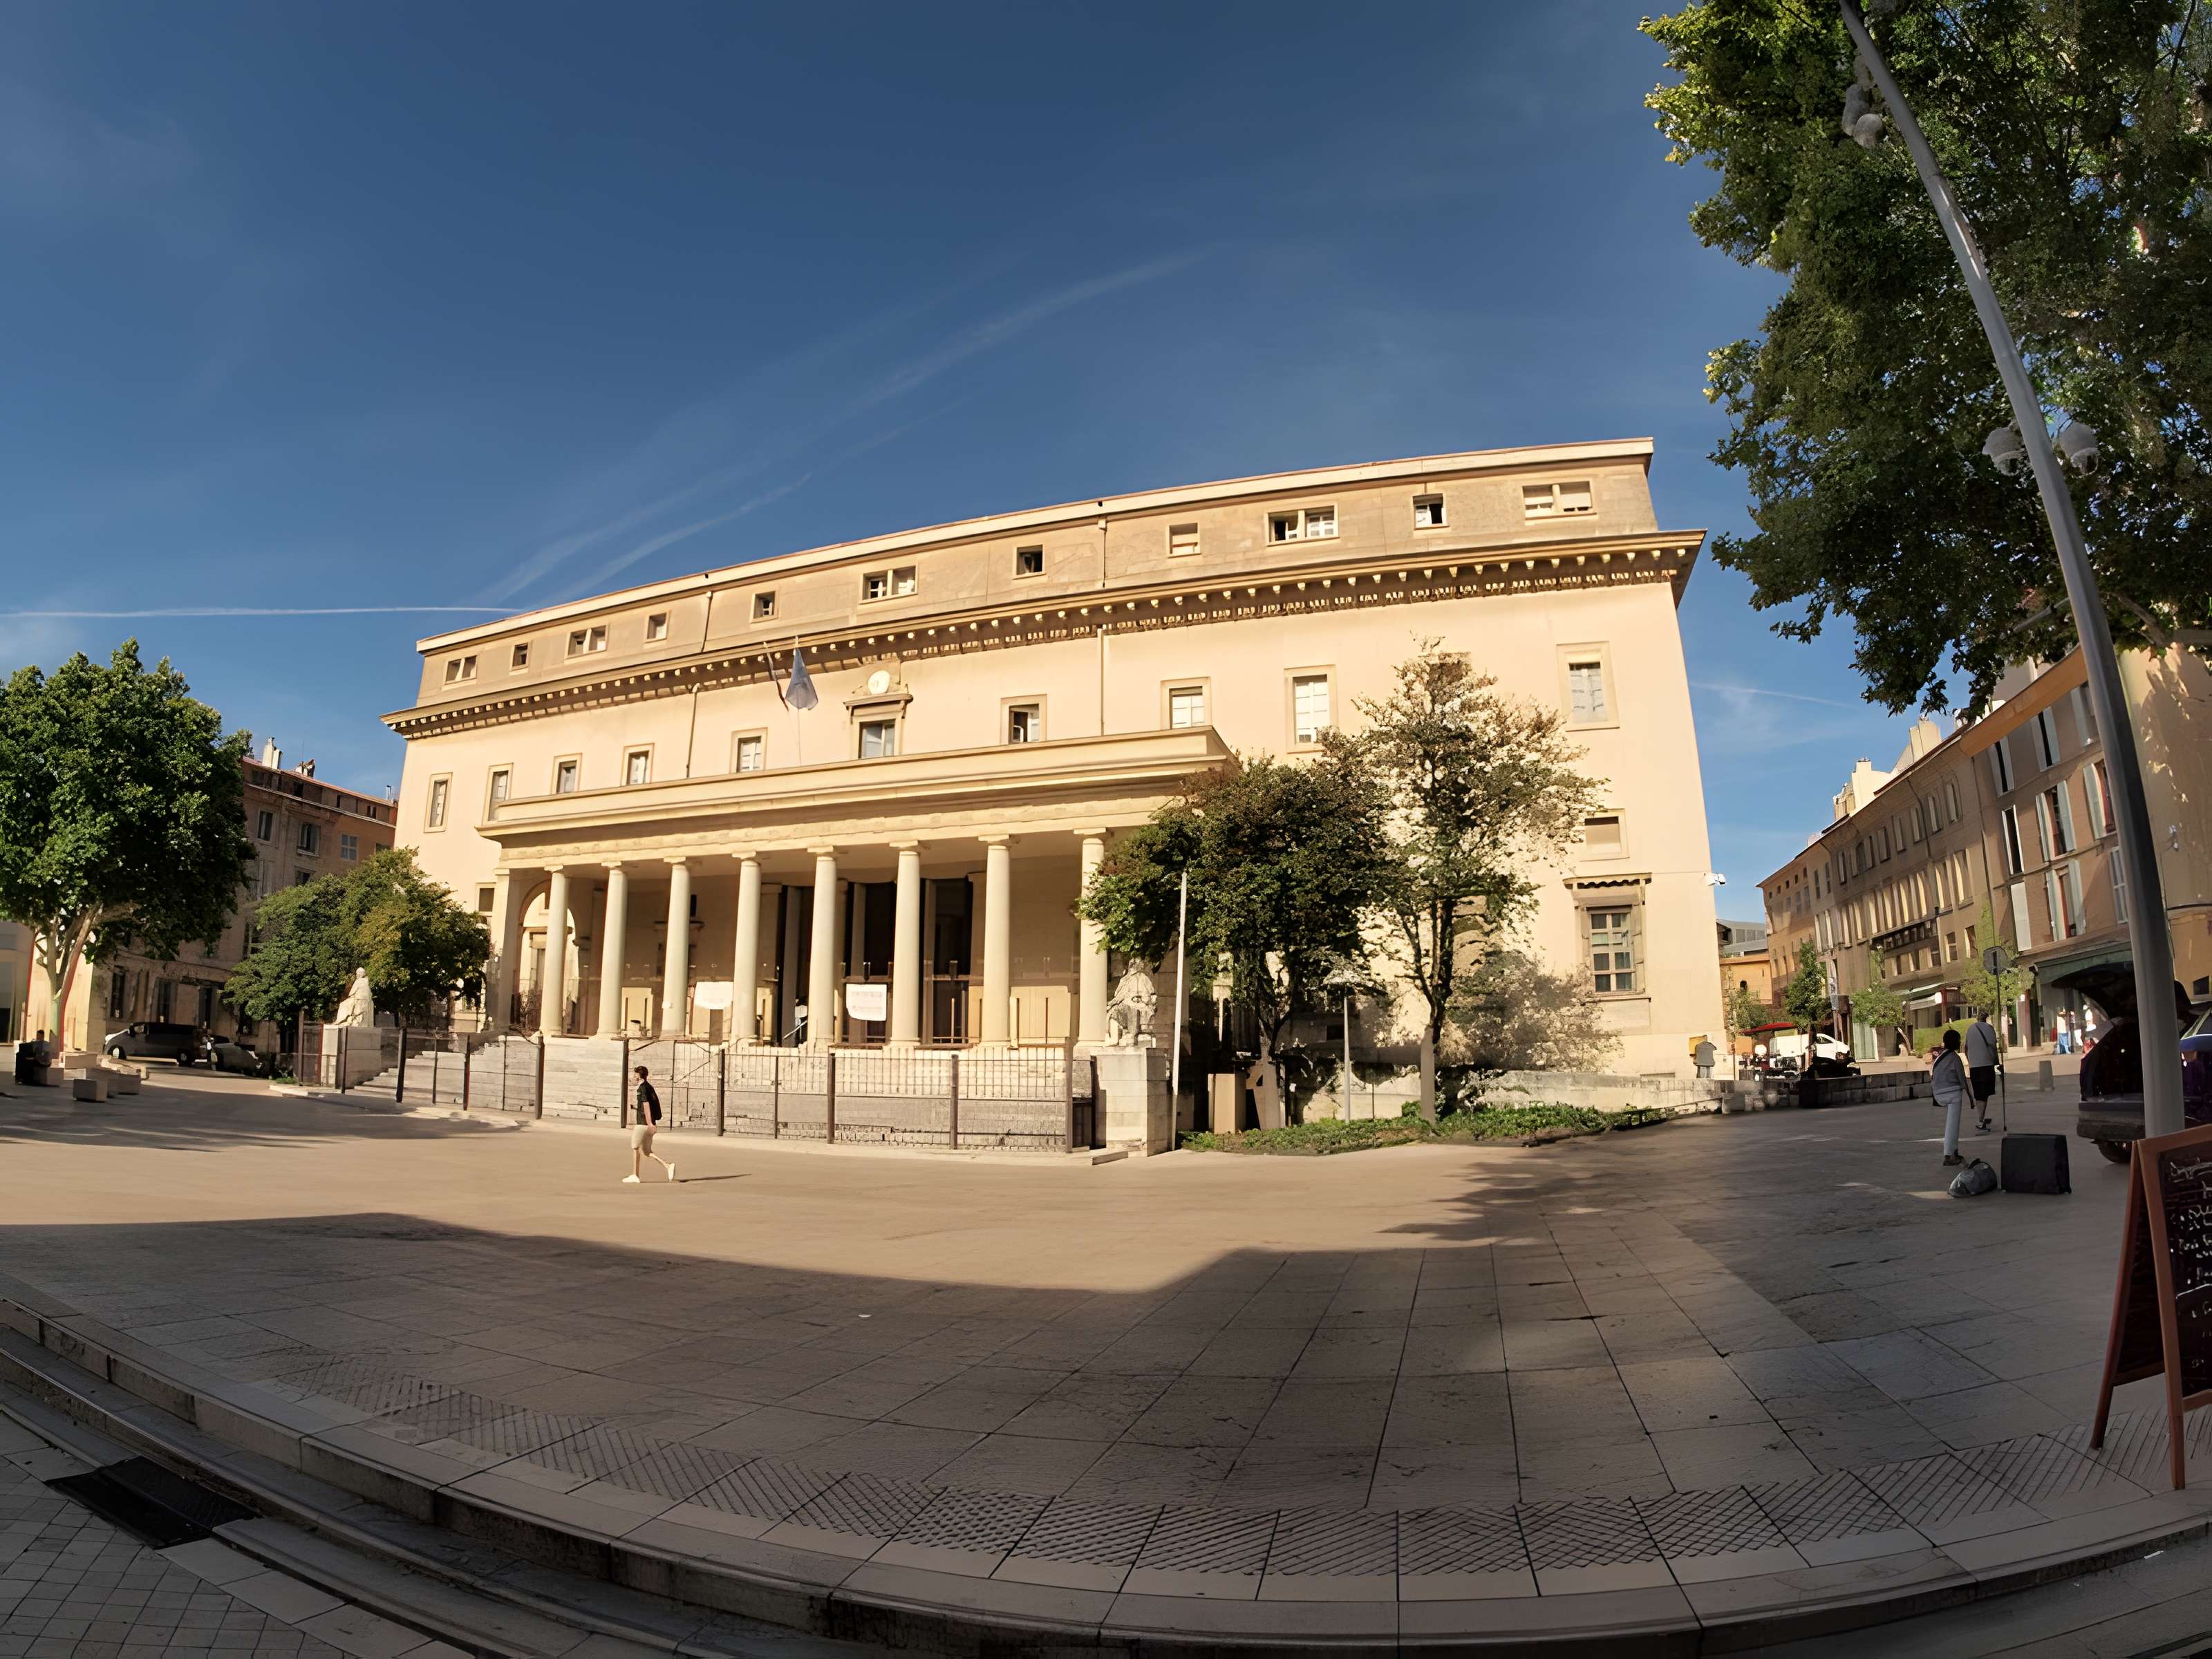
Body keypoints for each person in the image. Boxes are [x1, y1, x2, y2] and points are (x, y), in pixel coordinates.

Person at [624, 1065, 675, 1184]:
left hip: (643, 1124)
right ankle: (667, 1166)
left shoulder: (641, 1089)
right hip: (650, 1124)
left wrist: (650, 1123)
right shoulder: (650, 1087)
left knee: (635, 1147)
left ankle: (635, 1175)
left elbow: (646, 1105)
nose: (634, 1076)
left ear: (638, 1075)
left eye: (635, 1074)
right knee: (647, 1152)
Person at [1930, 1027, 1970, 1167]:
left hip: (1937, 1093)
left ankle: (1952, 1151)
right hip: (1951, 1093)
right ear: (1955, 1042)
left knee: (1951, 1122)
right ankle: (1949, 1154)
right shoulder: (1955, 1058)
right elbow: (1962, 1081)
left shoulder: (1939, 1057)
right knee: (1953, 1123)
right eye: (1959, 1040)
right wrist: (1971, 1099)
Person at [1965, 1011, 2001, 1133]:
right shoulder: (1989, 1028)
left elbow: (1966, 1048)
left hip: (1974, 1066)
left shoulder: (1970, 1029)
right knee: (1984, 1094)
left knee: (1979, 1093)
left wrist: (1971, 1061)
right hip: (1986, 1065)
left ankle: (1980, 1118)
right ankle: (1981, 1119)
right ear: (1987, 1018)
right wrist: (1997, 1063)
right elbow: (1993, 1047)